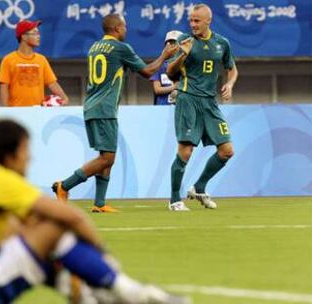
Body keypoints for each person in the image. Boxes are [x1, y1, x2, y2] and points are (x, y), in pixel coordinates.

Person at [0, 119, 189, 304]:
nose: (30, 158)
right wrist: (104, 259)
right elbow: (72, 217)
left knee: (35, 239)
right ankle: (125, 290)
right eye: (26, 151)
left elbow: (16, 235)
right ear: (9, 156)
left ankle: (85, 292)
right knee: (54, 228)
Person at [52, 14, 178, 212]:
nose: (126, 30)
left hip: (92, 105)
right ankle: (64, 185)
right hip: (105, 108)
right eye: (125, 26)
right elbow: (147, 72)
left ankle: (99, 203)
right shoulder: (121, 48)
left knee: (106, 154)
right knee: (107, 158)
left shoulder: (94, 47)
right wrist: (164, 56)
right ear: (118, 28)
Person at [166, 4, 238, 211]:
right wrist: (182, 55)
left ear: (208, 21)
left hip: (210, 103)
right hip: (188, 99)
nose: (193, 24)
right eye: (191, 20)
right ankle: (174, 200)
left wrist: (230, 84)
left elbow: (232, 70)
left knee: (226, 151)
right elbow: (171, 73)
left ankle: (199, 187)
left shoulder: (221, 43)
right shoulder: (184, 41)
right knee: (185, 151)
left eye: (197, 20)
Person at [0, 20, 69, 107]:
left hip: (38, 111)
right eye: (34, 33)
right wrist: (6, 110)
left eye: (38, 33)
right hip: (16, 111)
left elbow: (52, 83)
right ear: (23, 36)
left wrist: (64, 97)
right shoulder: (8, 60)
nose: (38, 36)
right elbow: (4, 87)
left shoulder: (41, 59)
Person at [149, 30, 183, 105]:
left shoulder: (188, 66)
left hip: (182, 108)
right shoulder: (159, 65)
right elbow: (157, 89)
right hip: (162, 110)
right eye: (169, 43)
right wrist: (174, 87)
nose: (172, 46)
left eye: (175, 43)